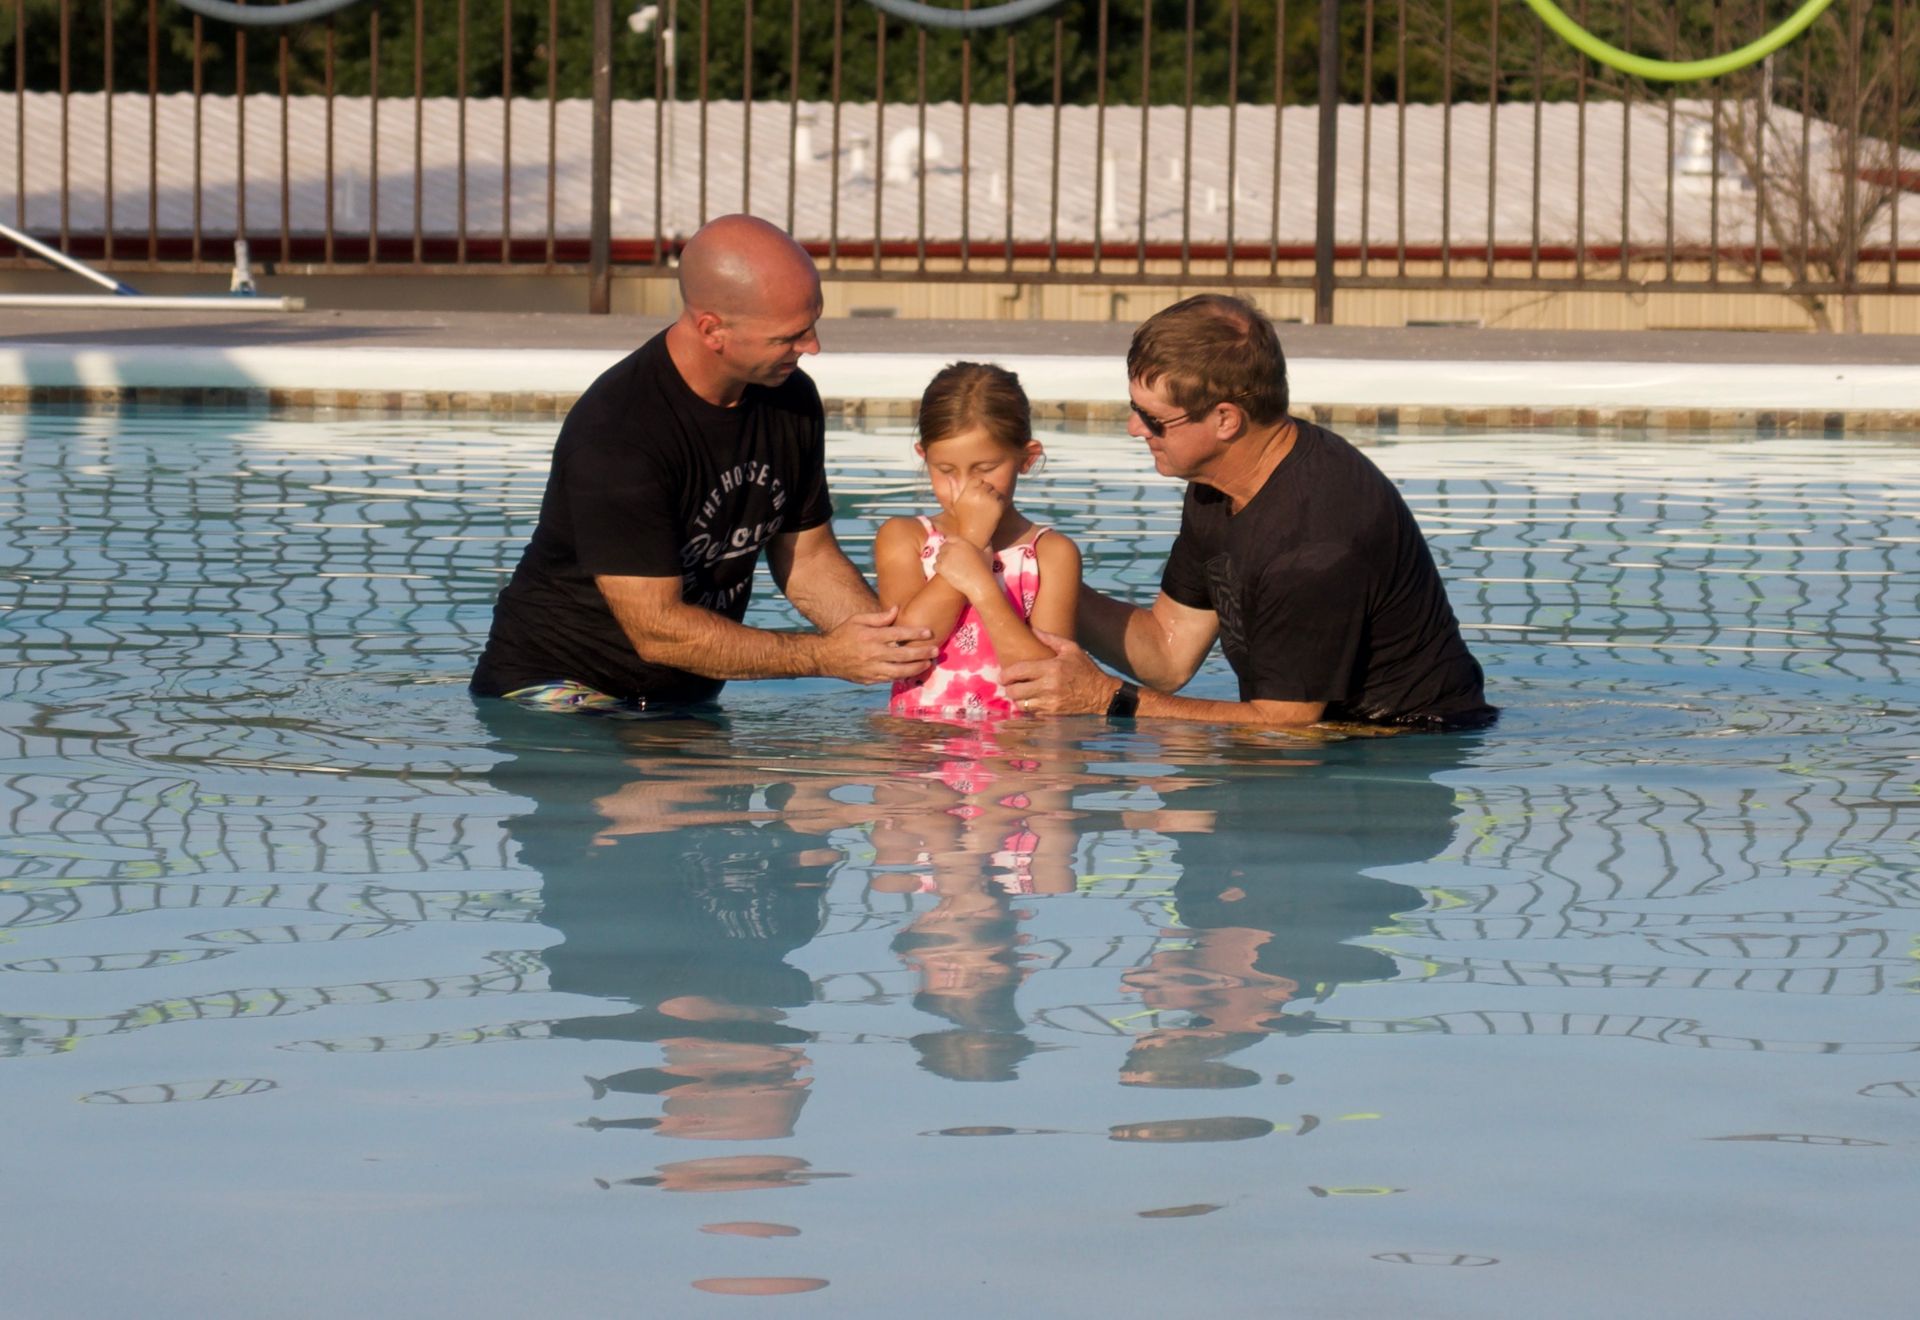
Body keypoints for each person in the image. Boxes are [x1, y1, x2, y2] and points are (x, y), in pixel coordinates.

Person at [470, 213, 937, 710]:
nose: (812, 347)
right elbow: (659, 631)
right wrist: (824, 657)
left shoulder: (788, 396)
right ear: (712, 329)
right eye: (789, 337)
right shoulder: (619, 436)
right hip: (552, 696)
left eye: (812, 325)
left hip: (680, 701)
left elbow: (809, 560)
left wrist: (900, 650)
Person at [1004, 294, 1495, 731]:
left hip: (1400, 751)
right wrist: (1030, 570)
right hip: (1318, 736)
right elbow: (1167, 658)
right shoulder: (1220, 483)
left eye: (1154, 418)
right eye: (1133, 408)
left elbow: (1285, 729)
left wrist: (1104, 699)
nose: (1135, 429)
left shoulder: (1313, 543)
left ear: (1225, 420)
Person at [874, 362, 1083, 720]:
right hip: (919, 748)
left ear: (1026, 458)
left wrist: (982, 588)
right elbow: (909, 647)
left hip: (1014, 753)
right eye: (946, 470)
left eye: (985, 469)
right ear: (924, 457)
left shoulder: (1050, 554)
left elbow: (1047, 681)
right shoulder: (904, 537)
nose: (966, 487)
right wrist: (971, 538)